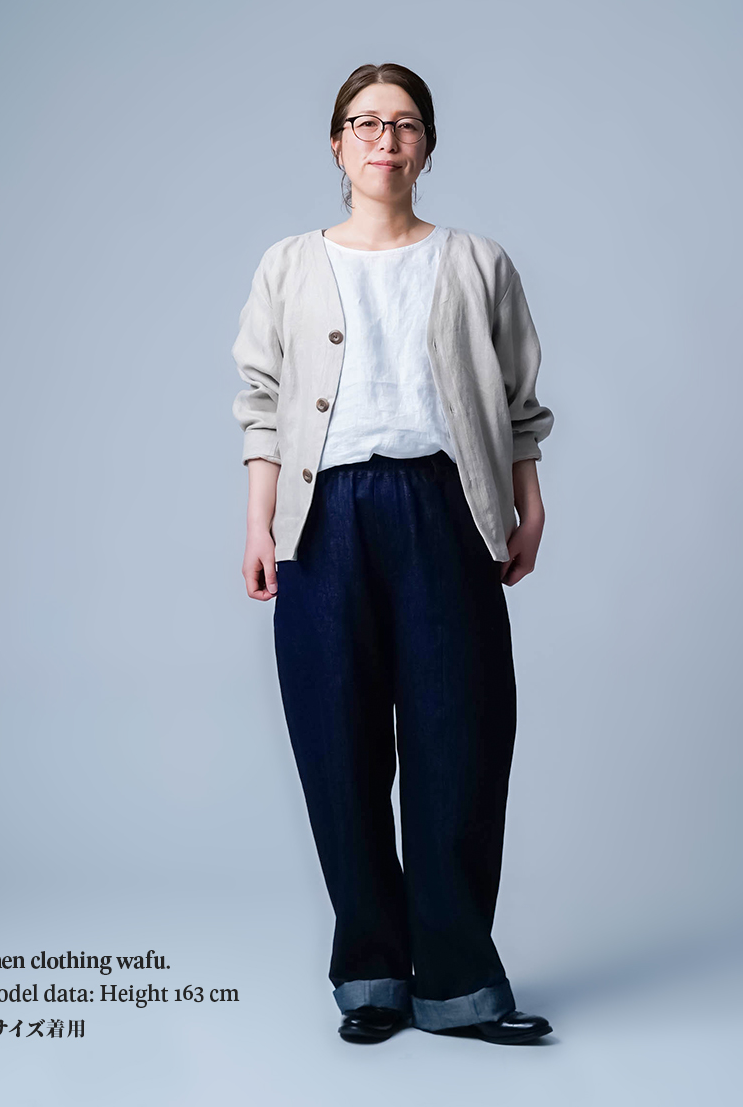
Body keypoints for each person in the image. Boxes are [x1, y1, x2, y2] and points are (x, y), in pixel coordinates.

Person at [231, 63, 555, 1046]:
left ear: (428, 146)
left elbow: (518, 401)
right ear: (337, 144)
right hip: (323, 517)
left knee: (462, 738)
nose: (386, 139)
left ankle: (458, 984)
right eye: (366, 123)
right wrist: (260, 522)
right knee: (338, 743)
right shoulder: (288, 264)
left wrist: (529, 503)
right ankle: (372, 974)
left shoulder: (477, 262)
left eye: (405, 124)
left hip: (445, 508)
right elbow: (261, 403)